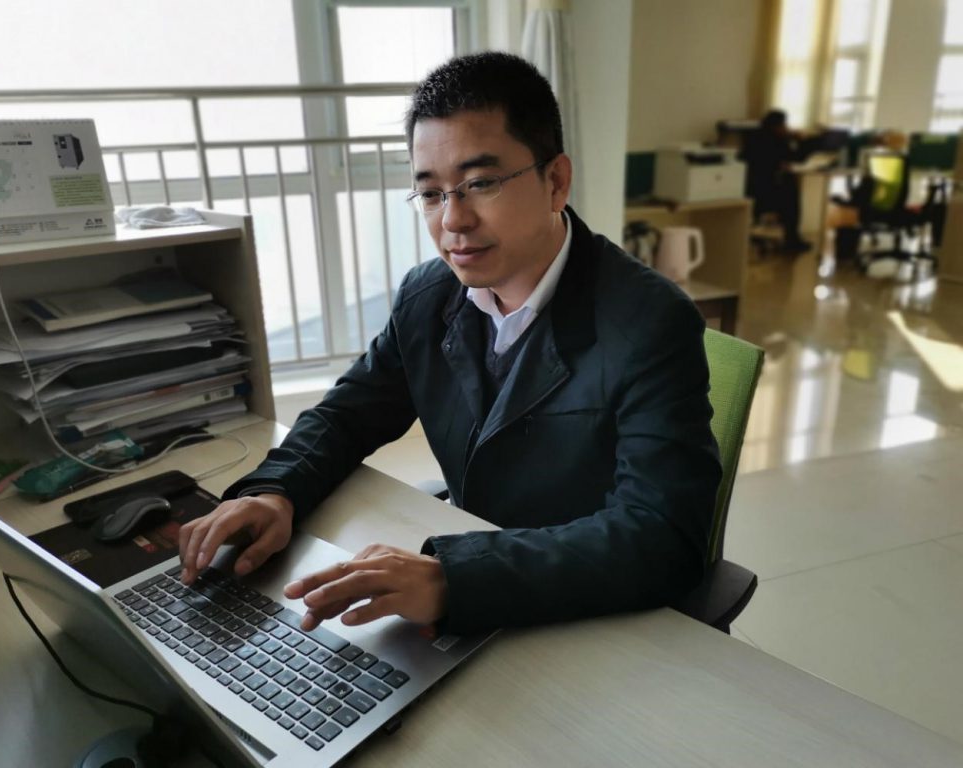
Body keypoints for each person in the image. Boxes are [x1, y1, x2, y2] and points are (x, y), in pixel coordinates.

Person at [178, 52, 721, 636]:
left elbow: (662, 534)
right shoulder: (429, 295)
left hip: (588, 611)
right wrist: (274, 491)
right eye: (432, 193)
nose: (453, 221)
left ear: (556, 181)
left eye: (480, 183)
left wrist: (452, 579)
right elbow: (347, 415)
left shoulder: (649, 322)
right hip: (482, 590)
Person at [740, 109, 812, 253]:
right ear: (776, 126)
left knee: (789, 186)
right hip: (767, 191)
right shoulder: (775, 140)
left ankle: (790, 238)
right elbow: (797, 158)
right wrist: (801, 141)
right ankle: (792, 240)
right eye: (784, 125)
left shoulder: (754, 137)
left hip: (752, 189)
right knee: (791, 194)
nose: (786, 128)